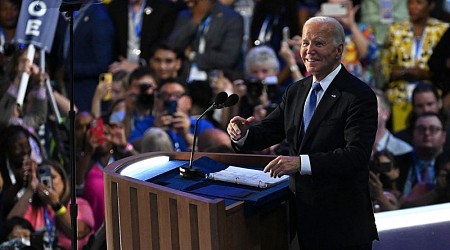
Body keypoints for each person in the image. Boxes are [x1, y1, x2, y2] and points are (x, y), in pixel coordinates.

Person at [227, 16, 379, 249]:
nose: (309, 50)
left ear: (339, 51)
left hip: (341, 225)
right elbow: (271, 130)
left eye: (318, 43)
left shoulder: (358, 96)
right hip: (299, 220)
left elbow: (355, 156)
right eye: (305, 43)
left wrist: (299, 163)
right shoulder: (297, 90)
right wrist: (243, 133)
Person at [381, 0, 449, 131]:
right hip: (399, 97)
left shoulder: (442, 29)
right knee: (402, 138)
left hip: (432, 95)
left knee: (430, 134)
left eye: (419, 3)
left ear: (431, 5)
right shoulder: (395, 30)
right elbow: (385, 66)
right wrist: (411, 72)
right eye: (410, 3)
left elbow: (443, 67)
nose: (413, 7)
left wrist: (424, 73)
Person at [6, 160, 94, 250]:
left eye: (53, 177)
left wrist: (56, 205)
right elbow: (10, 225)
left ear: (63, 180)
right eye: (42, 178)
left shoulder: (79, 203)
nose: (49, 182)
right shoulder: (35, 208)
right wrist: (31, 188)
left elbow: (79, 232)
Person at [106, 0, 177, 74]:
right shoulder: (115, 7)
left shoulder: (164, 7)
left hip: (152, 70)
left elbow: (164, 42)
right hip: (121, 68)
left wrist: (141, 64)